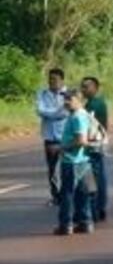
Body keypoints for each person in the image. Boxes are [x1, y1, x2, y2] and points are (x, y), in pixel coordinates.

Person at [54, 89, 94, 235]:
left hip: (72, 161)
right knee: (82, 193)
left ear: (78, 100)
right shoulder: (83, 115)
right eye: (64, 99)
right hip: (83, 160)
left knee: (67, 193)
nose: (66, 102)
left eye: (69, 99)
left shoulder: (77, 117)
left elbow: (81, 140)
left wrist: (62, 148)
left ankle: (66, 224)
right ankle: (85, 222)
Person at [36, 68, 68, 205]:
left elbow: (65, 113)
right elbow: (40, 111)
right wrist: (56, 113)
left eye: (55, 79)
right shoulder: (42, 94)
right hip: (50, 137)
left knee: (67, 167)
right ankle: (56, 196)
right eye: (50, 79)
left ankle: (67, 194)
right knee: (53, 169)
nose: (52, 82)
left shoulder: (68, 94)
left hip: (66, 136)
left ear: (61, 80)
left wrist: (50, 114)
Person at [81, 77, 109, 222]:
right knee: (98, 177)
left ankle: (96, 208)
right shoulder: (91, 103)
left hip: (94, 145)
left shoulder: (95, 105)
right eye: (83, 87)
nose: (84, 90)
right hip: (97, 143)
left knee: (94, 178)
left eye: (87, 87)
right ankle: (99, 207)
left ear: (95, 88)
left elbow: (88, 125)